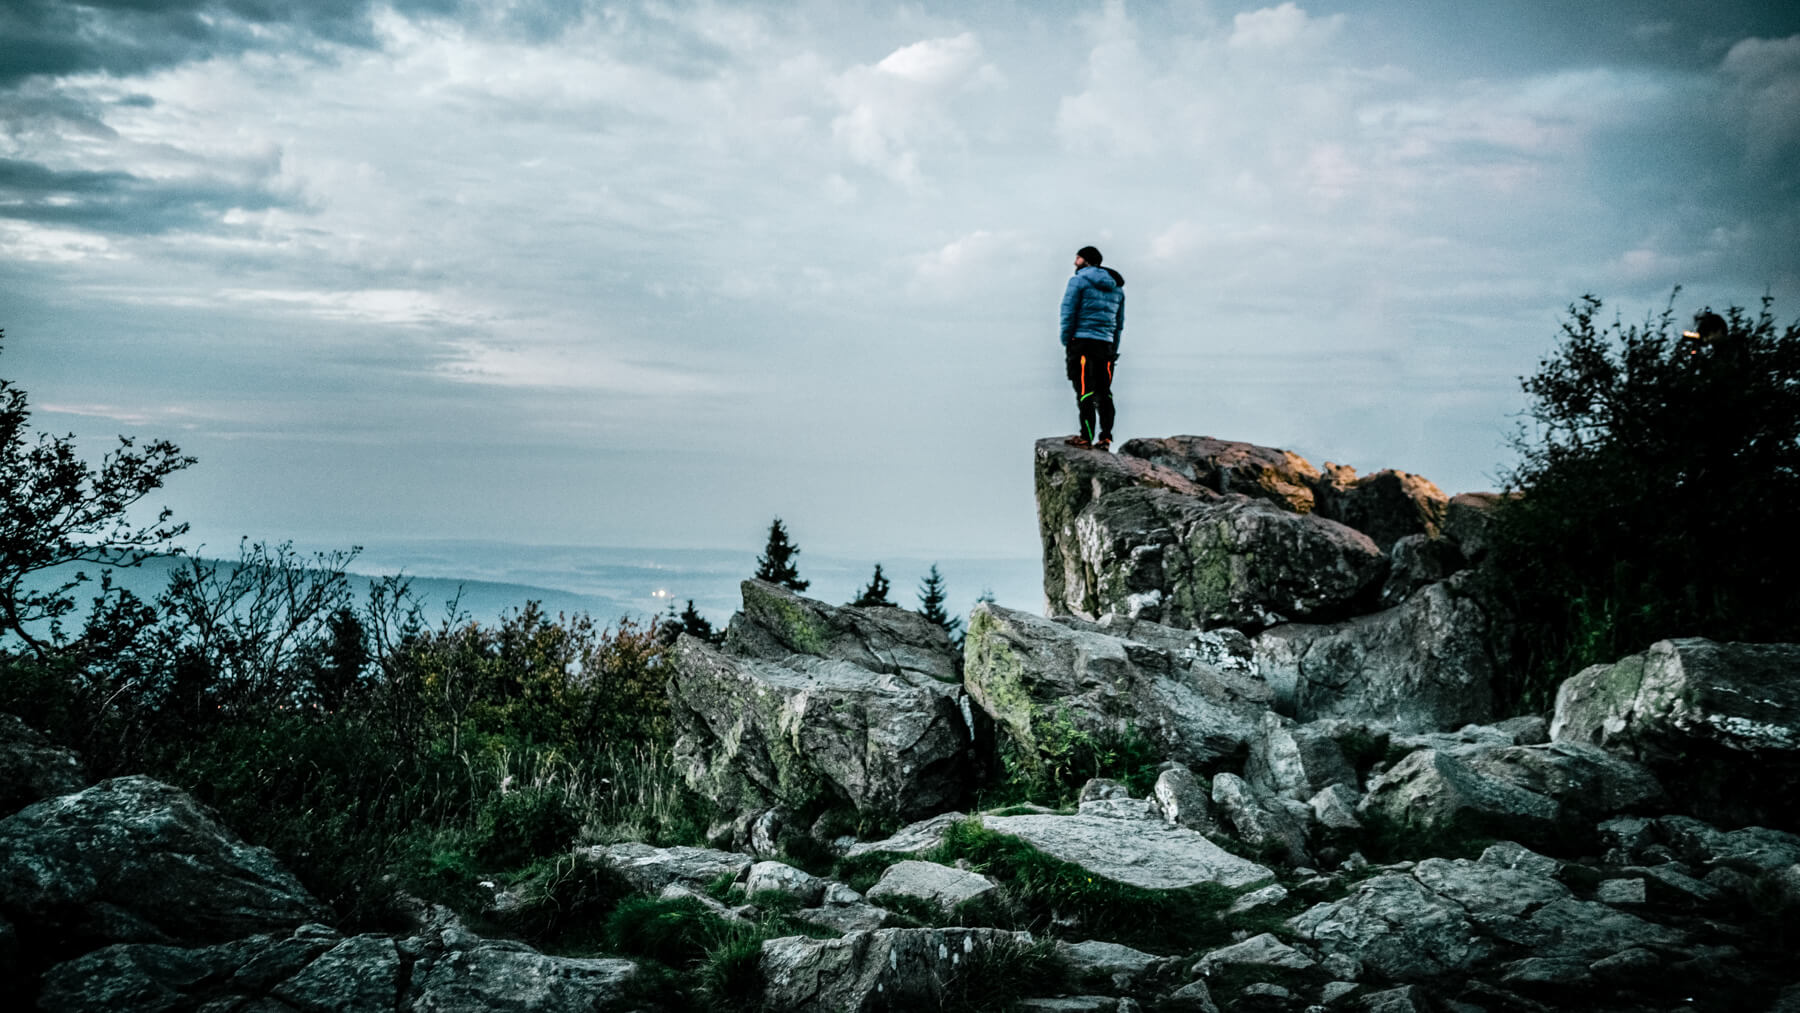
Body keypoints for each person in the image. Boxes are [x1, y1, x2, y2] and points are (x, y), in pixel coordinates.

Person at [1059, 245, 1126, 449]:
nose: (1074, 263)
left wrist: (1066, 340)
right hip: (1105, 345)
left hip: (1082, 343)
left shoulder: (1077, 282)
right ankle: (1105, 437)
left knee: (1084, 390)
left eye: (1077, 258)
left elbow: (1068, 313)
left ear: (1086, 261)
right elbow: (1119, 322)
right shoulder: (1117, 288)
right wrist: (1113, 347)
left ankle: (1086, 437)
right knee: (1104, 391)